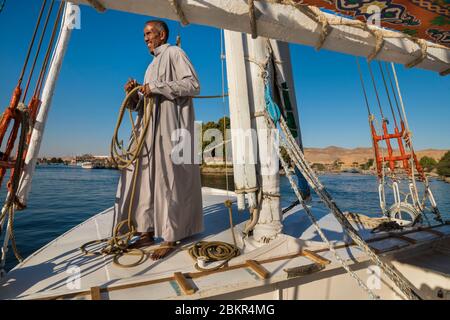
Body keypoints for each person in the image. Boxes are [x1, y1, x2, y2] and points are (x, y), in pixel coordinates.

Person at [114, 20, 203, 260]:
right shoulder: (150, 66)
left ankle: (171, 236)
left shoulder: (175, 52)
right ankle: (145, 232)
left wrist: (156, 87)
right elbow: (145, 106)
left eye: (149, 33)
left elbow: (193, 85)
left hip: (171, 129)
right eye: (144, 34)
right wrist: (133, 96)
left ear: (162, 35)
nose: (145, 38)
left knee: (169, 180)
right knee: (145, 181)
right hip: (149, 132)